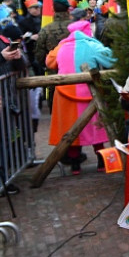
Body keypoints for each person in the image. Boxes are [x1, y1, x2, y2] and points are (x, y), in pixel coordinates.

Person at [46, 18, 116, 174]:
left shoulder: (61, 47)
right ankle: (101, 163)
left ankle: (75, 166)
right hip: (90, 95)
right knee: (96, 128)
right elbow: (111, 59)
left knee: (71, 129)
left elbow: (49, 62)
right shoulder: (92, 45)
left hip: (65, 95)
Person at [33, 0, 72, 72]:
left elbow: (40, 55)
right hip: (77, 71)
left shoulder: (45, 29)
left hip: (54, 73)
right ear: (68, 9)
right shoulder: (77, 26)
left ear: (52, 9)